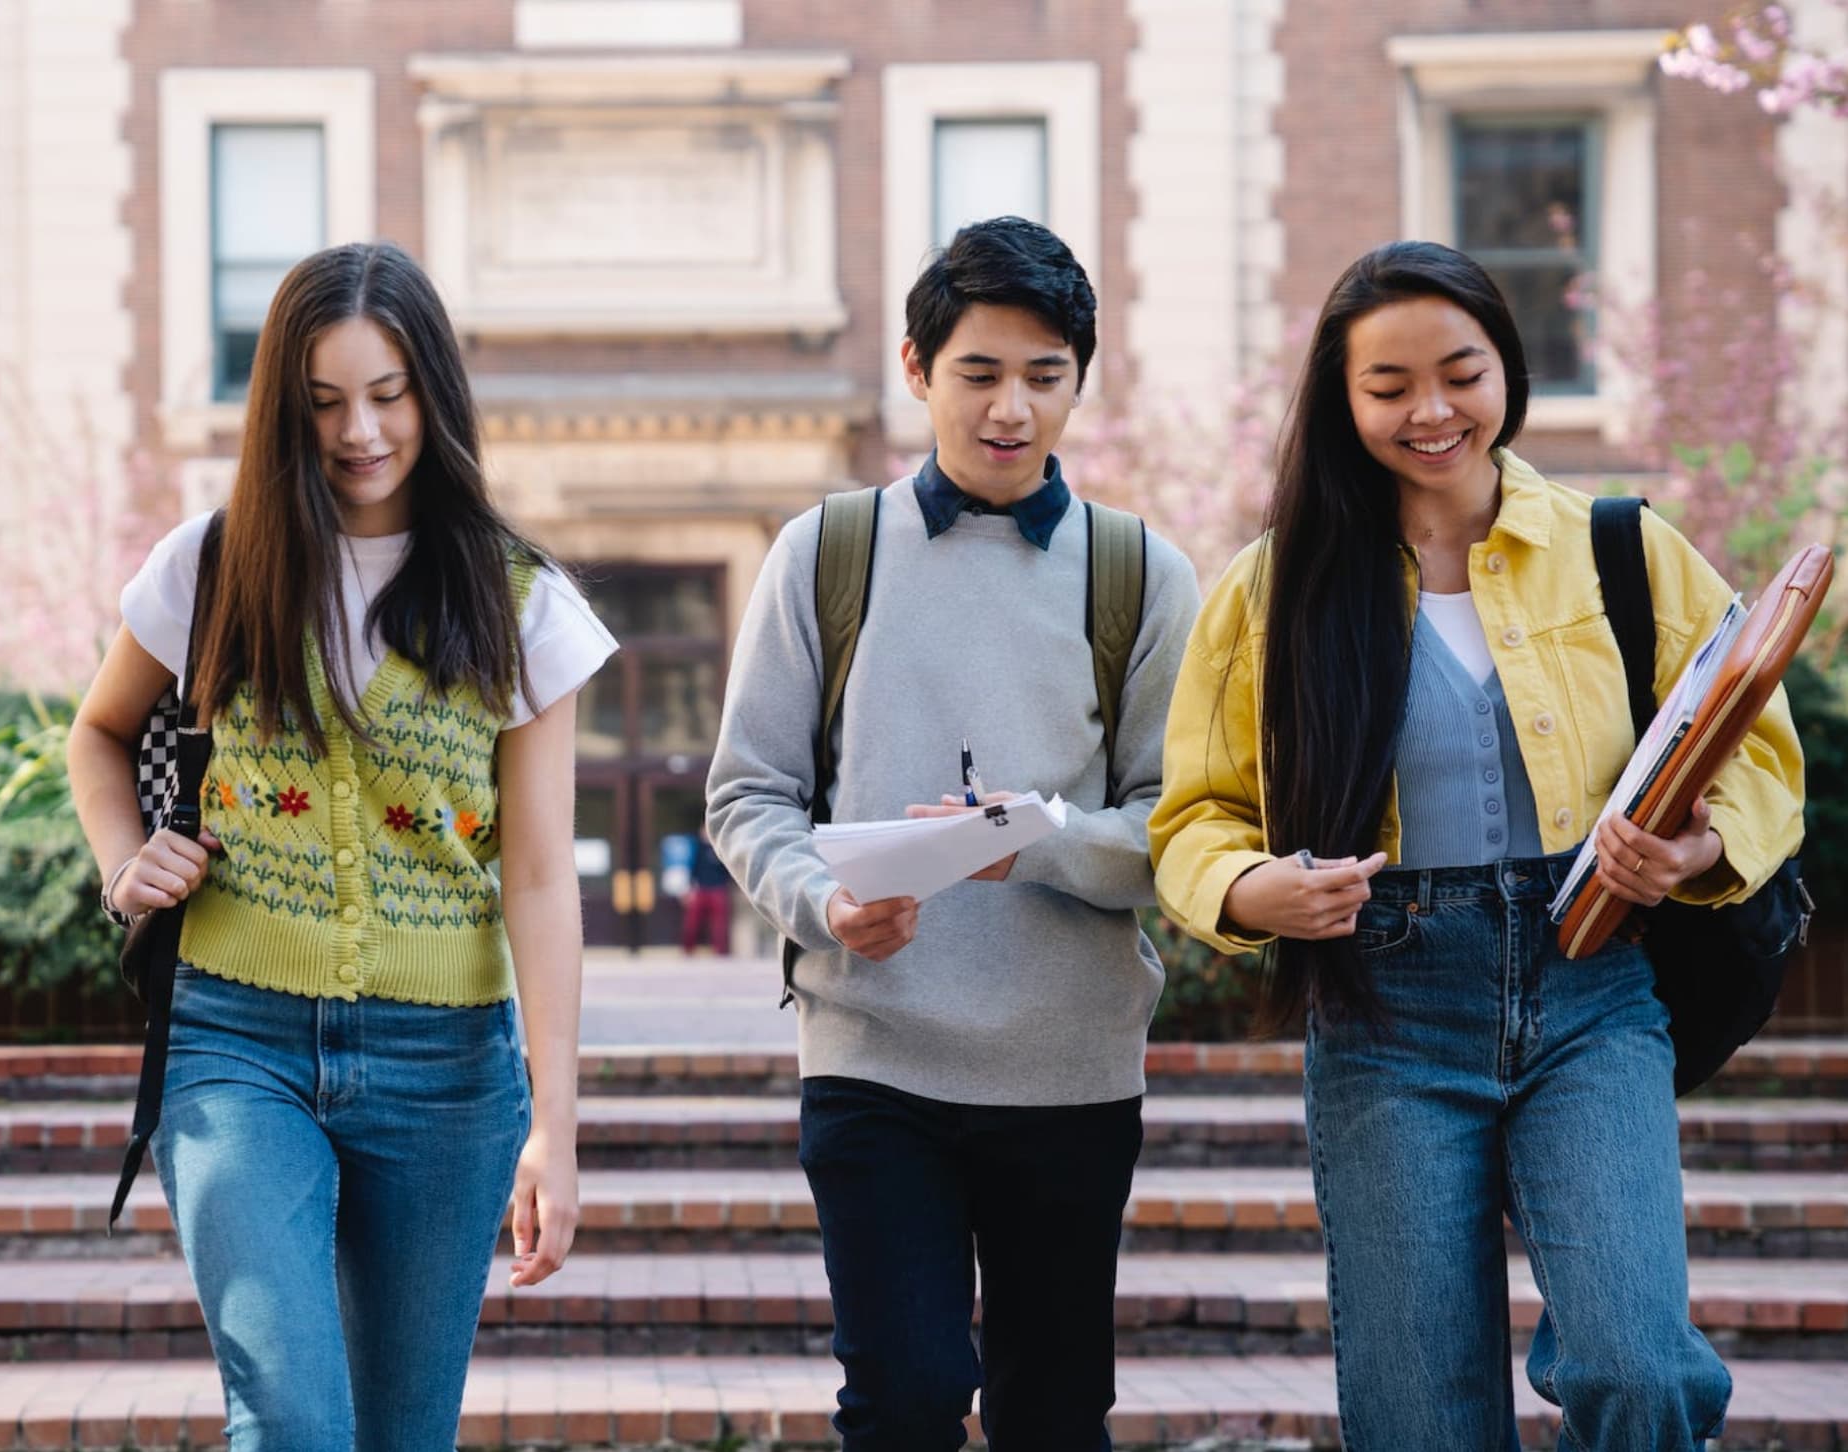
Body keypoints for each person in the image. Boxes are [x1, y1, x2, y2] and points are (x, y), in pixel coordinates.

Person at [1148, 239, 1805, 1449]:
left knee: (1640, 1369)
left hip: (1593, 990)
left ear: (1508, 368)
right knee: (1421, 1423)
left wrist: (1699, 853)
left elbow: (1759, 751)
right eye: (1386, 386)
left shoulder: (1619, 545)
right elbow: (1195, 815)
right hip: (1383, 1013)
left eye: (1460, 371)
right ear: (1341, 404)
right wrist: (1250, 892)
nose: (1430, 410)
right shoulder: (1272, 589)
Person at [67, 241, 617, 1450]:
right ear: (281, 410)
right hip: (235, 1042)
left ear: (434, 392)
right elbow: (98, 737)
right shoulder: (211, 566)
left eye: (387, 395)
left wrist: (556, 1123)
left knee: (397, 1433)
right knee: (295, 1420)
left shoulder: (520, 602)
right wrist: (125, 862)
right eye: (322, 403)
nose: (359, 432)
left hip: (449, 1073)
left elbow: (537, 876)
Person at [705, 216, 1201, 1451]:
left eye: (1045, 376)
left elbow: (1177, 831)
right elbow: (748, 792)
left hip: (1070, 1066)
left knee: (1051, 1414)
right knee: (906, 1397)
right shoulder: (827, 553)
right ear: (919, 371)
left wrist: (1024, 841)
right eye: (979, 374)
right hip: (875, 1052)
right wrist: (824, 899)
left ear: (1080, 380)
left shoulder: (1139, 574)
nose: (1012, 410)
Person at [680, 822, 733, 955]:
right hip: (701, 889)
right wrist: (689, 889)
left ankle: (720, 951)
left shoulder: (721, 849)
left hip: (718, 889)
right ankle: (688, 950)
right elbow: (692, 869)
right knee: (692, 922)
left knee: (719, 924)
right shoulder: (698, 849)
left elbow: (729, 870)